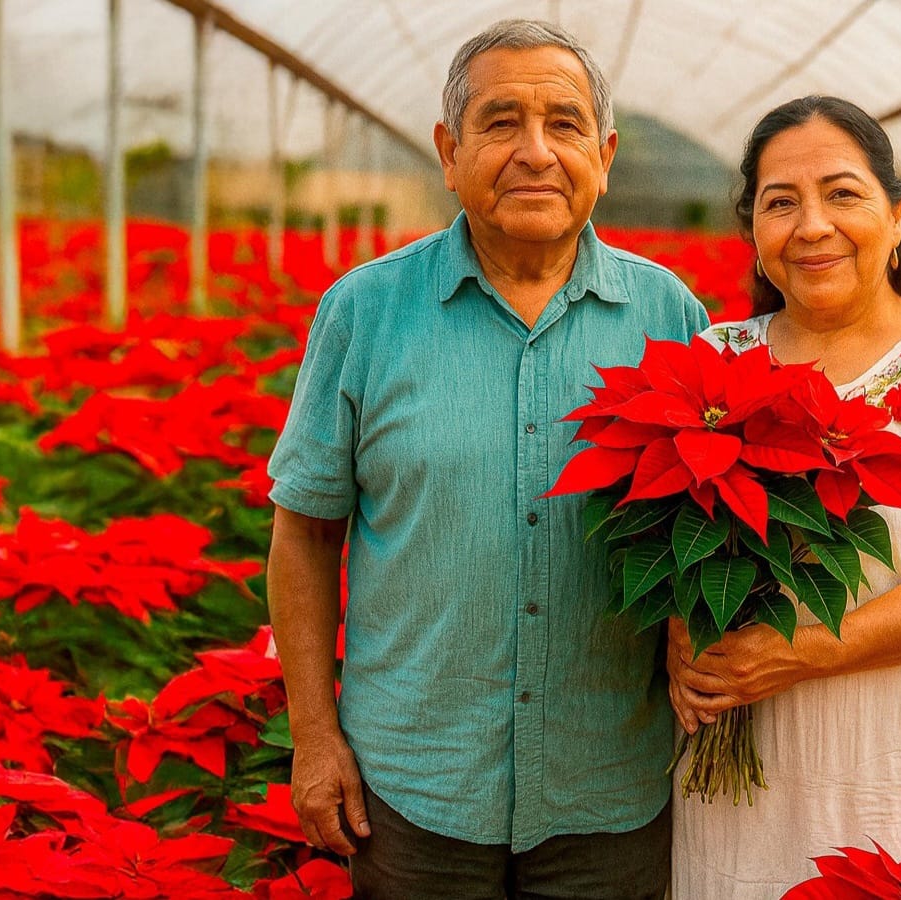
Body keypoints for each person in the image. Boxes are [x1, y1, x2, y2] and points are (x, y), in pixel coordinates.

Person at [265, 19, 708, 900]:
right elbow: (305, 537)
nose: (535, 152)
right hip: (414, 790)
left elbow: (706, 527)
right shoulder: (365, 310)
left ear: (605, 153)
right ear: (449, 150)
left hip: (609, 787)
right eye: (501, 122)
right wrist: (315, 739)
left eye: (565, 124)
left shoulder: (670, 315)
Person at [667, 95, 901, 898]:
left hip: (896, 761)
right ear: (754, 231)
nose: (812, 226)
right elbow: (675, 538)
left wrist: (794, 652)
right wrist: (680, 632)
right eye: (781, 203)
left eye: (842, 193)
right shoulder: (715, 356)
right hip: (738, 766)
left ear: (895, 214)